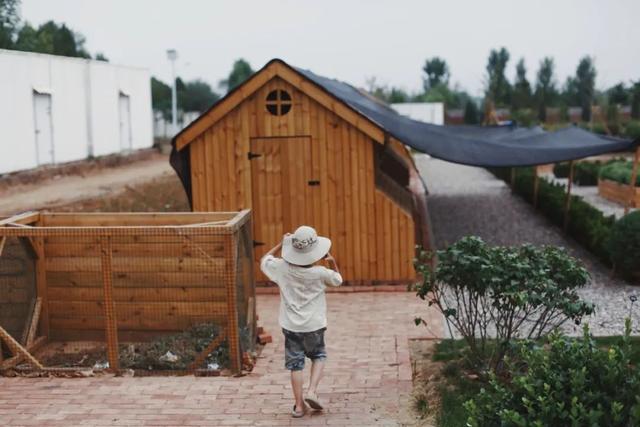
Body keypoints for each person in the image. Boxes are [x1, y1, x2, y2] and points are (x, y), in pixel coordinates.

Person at [260, 225, 343, 418]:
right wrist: (332, 261)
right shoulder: (321, 273)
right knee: (319, 356)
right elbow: (338, 279)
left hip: (291, 326)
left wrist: (281, 244)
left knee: (295, 365)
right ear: (315, 252)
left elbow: (264, 260)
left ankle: (298, 406)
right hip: (315, 325)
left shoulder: (281, 269)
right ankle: (312, 391)